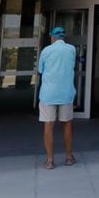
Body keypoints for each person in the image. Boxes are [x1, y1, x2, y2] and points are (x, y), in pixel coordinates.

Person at [38, 25, 77, 169]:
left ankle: (50, 160)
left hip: (48, 93)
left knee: (48, 125)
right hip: (66, 93)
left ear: (52, 37)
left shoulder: (46, 51)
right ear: (63, 37)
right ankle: (68, 157)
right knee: (67, 124)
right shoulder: (72, 49)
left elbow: (41, 70)